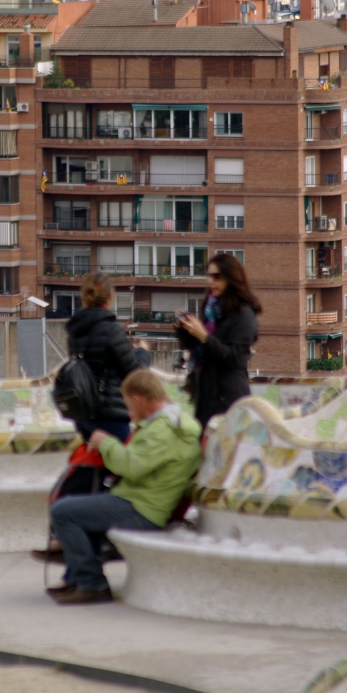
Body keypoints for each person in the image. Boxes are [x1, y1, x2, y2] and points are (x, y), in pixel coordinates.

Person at [47, 369, 201, 603]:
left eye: (129, 405)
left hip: (142, 509)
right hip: (144, 501)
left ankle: (91, 583)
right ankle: (80, 579)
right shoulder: (168, 423)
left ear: (138, 399)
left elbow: (132, 466)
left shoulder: (163, 429)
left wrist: (105, 442)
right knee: (81, 509)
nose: (129, 412)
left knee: (63, 511)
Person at [175, 252, 261, 431]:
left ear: (231, 278)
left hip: (228, 400)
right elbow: (200, 351)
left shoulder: (244, 314)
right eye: (209, 276)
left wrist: (204, 336)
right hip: (206, 397)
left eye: (217, 277)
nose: (211, 281)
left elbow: (234, 358)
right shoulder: (211, 310)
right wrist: (185, 331)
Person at [65, 273, 140, 443]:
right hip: (110, 414)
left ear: (84, 296)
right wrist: (143, 353)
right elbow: (134, 374)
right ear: (110, 296)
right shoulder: (112, 330)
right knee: (123, 457)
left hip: (83, 414)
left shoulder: (75, 331)